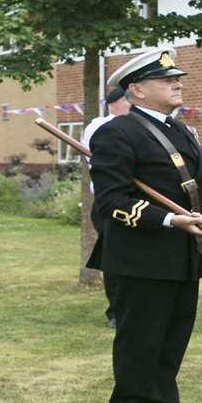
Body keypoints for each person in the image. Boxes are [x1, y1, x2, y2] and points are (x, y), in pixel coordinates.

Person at [88, 48, 202, 403]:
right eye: (166, 80)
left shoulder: (181, 131)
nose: (177, 83)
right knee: (140, 337)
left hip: (182, 253)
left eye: (176, 78)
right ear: (137, 90)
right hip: (139, 256)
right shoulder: (117, 132)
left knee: (173, 334)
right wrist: (168, 219)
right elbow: (111, 201)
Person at [81, 87, 131, 327]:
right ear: (112, 105)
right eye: (125, 100)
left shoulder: (140, 126)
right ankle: (115, 311)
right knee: (115, 257)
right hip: (109, 202)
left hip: (137, 202)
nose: (131, 104)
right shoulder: (100, 126)